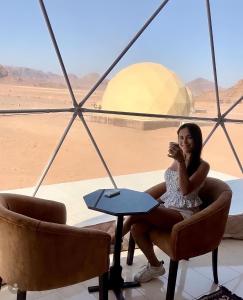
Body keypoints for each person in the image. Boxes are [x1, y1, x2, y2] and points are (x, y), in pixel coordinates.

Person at [119, 122, 210, 283]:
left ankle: (112, 240)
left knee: (139, 211)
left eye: (189, 137)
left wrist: (181, 162)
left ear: (197, 140)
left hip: (184, 214)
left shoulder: (203, 166)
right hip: (169, 207)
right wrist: (159, 200)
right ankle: (155, 267)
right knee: (136, 227)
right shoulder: (177, 160)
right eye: (181, 137)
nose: (184, 141)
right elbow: (171, 187)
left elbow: (184, 191)